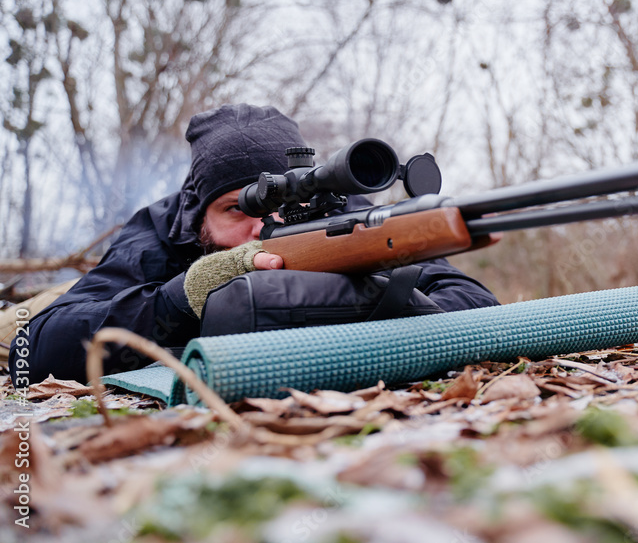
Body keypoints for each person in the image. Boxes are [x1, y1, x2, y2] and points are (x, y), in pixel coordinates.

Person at [12, 104, 499, 383]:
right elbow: (33, 351)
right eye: (238, 209)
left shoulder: (331, 216)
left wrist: (378, 296)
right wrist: (181, 297)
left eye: (284, 206)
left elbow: (473, 303)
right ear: (198, 212)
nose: (263, 229)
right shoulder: (160, 231)